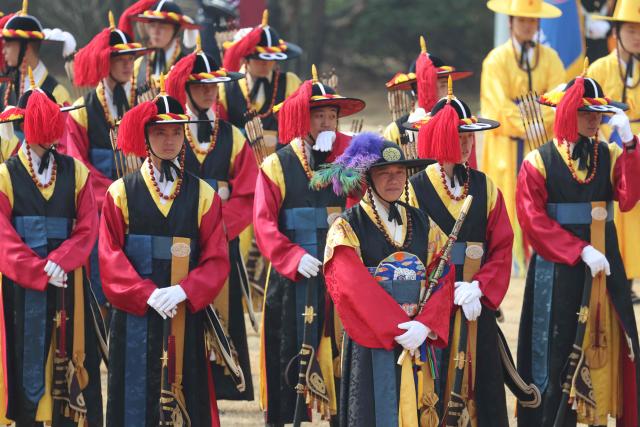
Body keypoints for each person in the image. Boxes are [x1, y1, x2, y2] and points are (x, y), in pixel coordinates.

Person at [99, 80, 230, 426]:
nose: (169, 140)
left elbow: (217, 257)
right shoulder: (119, 193)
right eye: (160, 133)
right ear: (145, 138)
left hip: (184, 311)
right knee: (134, 402)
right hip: (134, 316)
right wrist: (146, 294)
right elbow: (109, 256)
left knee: (186, 396)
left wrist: (185, 289)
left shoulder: (204, 195)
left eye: (176, 132)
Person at [516, 69, 640, 426]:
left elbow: (629, 198)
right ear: (567, 113)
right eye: (586, 113)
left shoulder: (610, 153)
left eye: (598, 114)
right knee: (556, 343)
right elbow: (532, 220)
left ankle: (605, 413)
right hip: (559, 263)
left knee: (612, 335)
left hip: (606, 257)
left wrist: (630, 144)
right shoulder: (538, 160)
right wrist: (579, 250)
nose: (594, 121)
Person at [316, 132, 453, 427]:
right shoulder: (347, 226)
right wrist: (398, 326)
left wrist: (425, 323)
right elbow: (351, 286)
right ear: (368, 177)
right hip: (372, 339)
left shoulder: (423, 221)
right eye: (384, 173)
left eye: (400, 173)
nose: (394, 180)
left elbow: (443, 272)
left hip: (418, 336)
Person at [253, 65, 364, 425]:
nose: (328, 123)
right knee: (287, 351)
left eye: (333, 115)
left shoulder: (350, 164)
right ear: (303, 118)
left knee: (340, 354)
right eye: (319, 115)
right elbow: (264, 222)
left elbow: (364, 211)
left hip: (339, 276)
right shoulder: (276, 166)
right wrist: (291, 256)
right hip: (292, 278)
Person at [405, 83, 515, 426]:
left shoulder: (486, 186)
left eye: (470, 136)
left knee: (481, 381)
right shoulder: (415, 189)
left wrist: (480, 287)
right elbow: (410, 251)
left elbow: (502, 246)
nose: (467, 144)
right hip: (435, 302)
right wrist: (441, 290)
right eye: (459, 136)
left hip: (474, 300)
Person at [0, 71, 103, 426]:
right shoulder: (5, 174)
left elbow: (88, 225)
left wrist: (62, 260)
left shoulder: (75, 172)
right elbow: (3, 235)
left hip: (68, 280)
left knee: (69, 353)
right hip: (20, 285)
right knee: (24, 356)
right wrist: (36, 270)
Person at [166, 39, 259, 401]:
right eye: (200, 85)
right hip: (182, 240)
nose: (208, 92)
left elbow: (248, 192)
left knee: (225, 311)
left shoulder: (234, 137)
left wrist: (220, 229)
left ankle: (224, 379)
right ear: (187, 88)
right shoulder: (170, 134)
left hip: (222, 238)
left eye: (213, 86)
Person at [64, 11, 149, 309]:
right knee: (101, 285)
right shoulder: (81, 111)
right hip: (100, 210)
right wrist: (115, 196)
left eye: (131, 58)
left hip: (143, 206)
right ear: (105, 62)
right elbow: (78, 165)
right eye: (119, 58)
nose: (128, 64)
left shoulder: (146, 103)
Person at [481, 0, 565, 274]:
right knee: (508, 194)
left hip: (541, 139)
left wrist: (538, 121)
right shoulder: (496, 59)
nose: (528, 26)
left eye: (532, 20)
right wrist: (526, 124)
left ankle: (543, 250)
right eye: (522, 20)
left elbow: (559, 98)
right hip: (509, 142)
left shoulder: (551, 58)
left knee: (544, 193)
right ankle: (511, 257)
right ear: (510, 22)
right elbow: (496, 104)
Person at [588, 0, 640, 302]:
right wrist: (612, 136)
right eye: (630, 29)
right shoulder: (600, 68)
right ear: (617, 31)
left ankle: (632, 276)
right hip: (608, 149)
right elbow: (591, 111)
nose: (636, 36)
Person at [219, 10, 302, 151]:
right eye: (259, 58)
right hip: (240, 162)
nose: (265, 64)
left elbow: (299, 126)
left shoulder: (290, 82)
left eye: (270, 59)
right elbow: (221, 131)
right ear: (246, 58)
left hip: (281, 160)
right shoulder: (226, 88)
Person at [383, 36, 472, 147]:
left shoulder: (461, 122)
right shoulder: (395, 131)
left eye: (445, 85)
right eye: (430, 87)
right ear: (418, 89)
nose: (446, 92)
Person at [0, 1, 74, 111]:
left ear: (26, 47)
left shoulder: (57, 94)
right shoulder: (5, 89)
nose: (3, 51)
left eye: (8, 46)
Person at [119, 0, 198, 90]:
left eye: (162, 26)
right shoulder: (138, 65)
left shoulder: (190, 67)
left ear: (176, 29)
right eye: (152, 25)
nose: (155, 32)